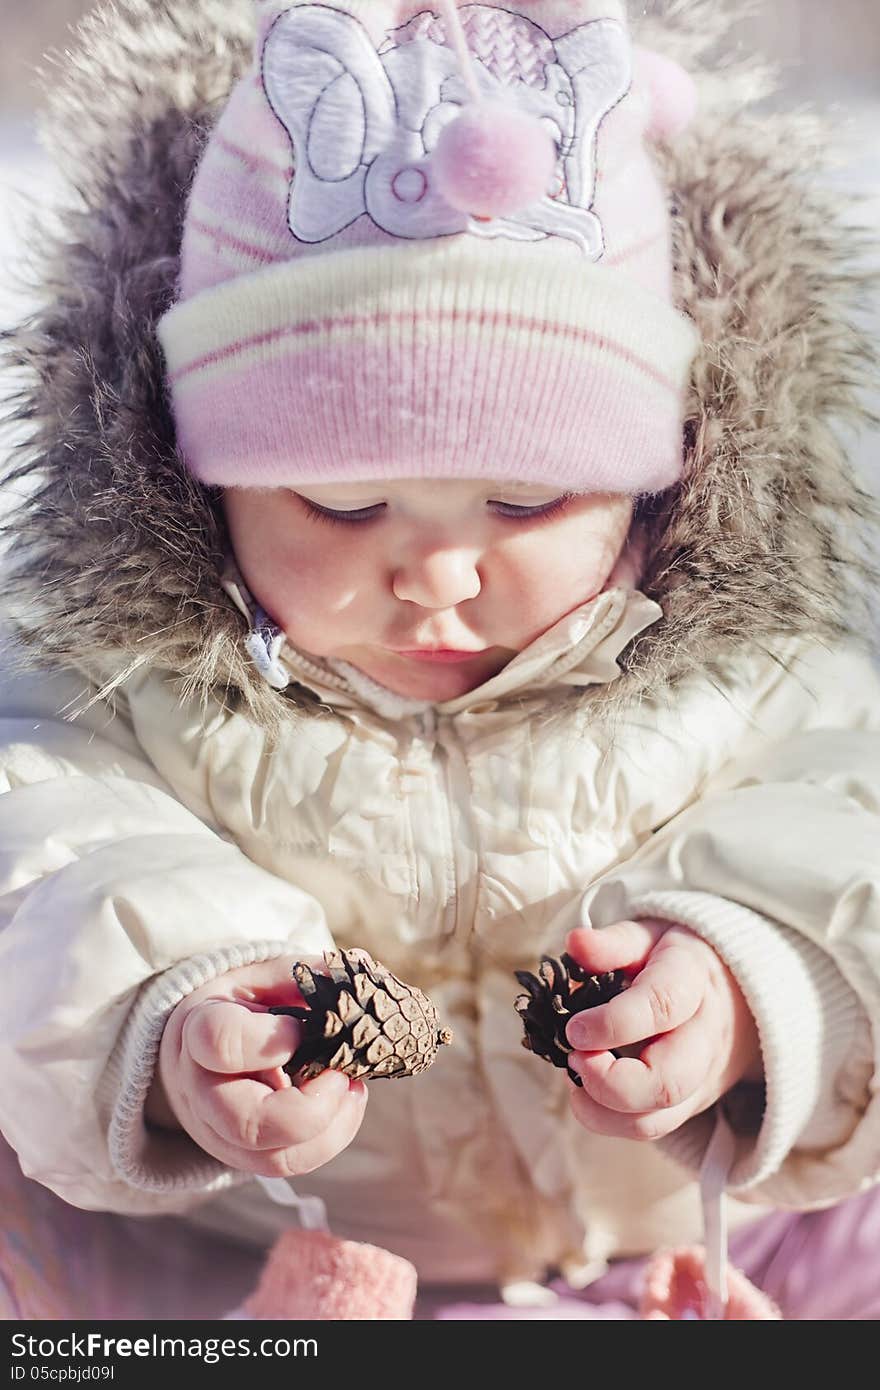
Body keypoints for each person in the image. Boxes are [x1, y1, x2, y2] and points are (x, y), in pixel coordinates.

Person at [0, 0, 879, 1320]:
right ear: (200, 485)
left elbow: (848, 819)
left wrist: (765, 989)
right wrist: (171, 1019)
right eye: (344, 508)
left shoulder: (743, 666)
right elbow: (48, 853)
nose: (440, 573)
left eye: (526, 503)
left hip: (708, 1245)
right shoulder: (122, 682)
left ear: (656, 482)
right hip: (252, 1263)